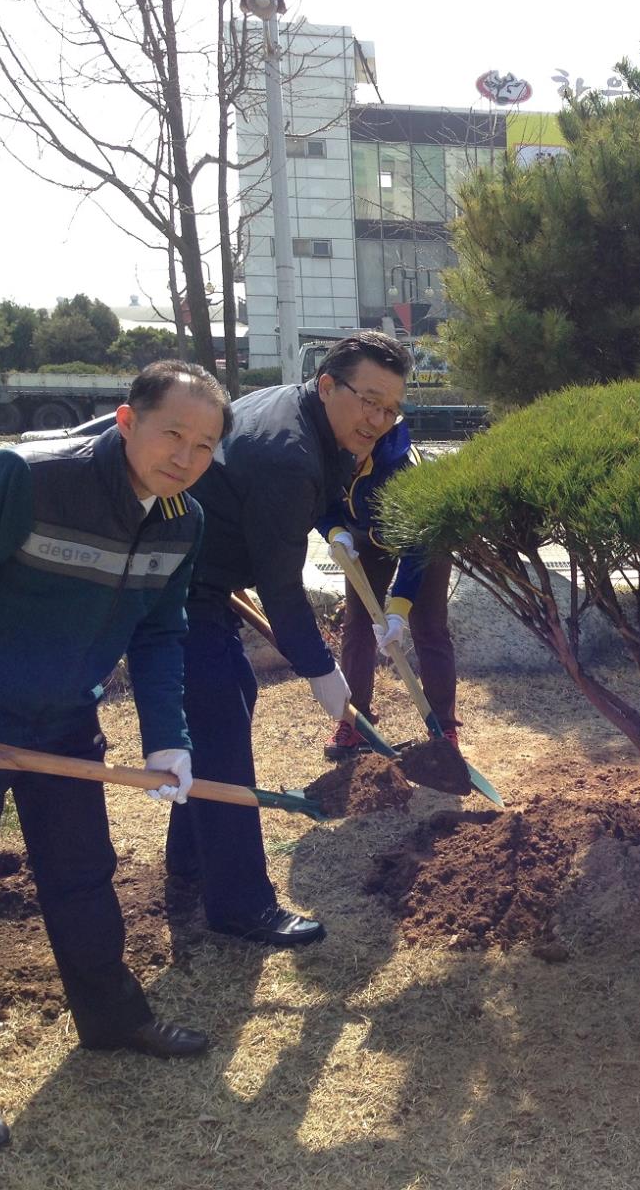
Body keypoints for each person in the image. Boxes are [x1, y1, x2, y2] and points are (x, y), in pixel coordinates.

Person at [0, 361, 230, 1152]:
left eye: (204, 445)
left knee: (83, 876)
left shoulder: (181, 520)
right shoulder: (23, 480)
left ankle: (111, 1017)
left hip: (63, 724)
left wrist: (169, 737)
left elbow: (160, 633)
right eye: (172, 435)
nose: (184, 457)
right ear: (127, 420)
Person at [166, 329, 410, 947]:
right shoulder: (289, 455)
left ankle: (192, 857)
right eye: (368, 401)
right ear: (328, 385)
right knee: (221, 717)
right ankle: (240, 905)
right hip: (183, 584)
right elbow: (281, 586)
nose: (379, 420)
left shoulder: (299, 410)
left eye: (391, 408)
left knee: (224, 703)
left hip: (201, 574)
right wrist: (324, 673)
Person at [318, 417, 459, 760]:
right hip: (367, 539)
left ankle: (444, 729)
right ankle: (356, 721)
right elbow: (319, 502)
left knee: (430, 629)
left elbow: (417, 547)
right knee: (357, 624)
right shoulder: (327, 451)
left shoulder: (403, 471)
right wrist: (335, 531)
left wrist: (397, 610)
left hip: (426, 538)